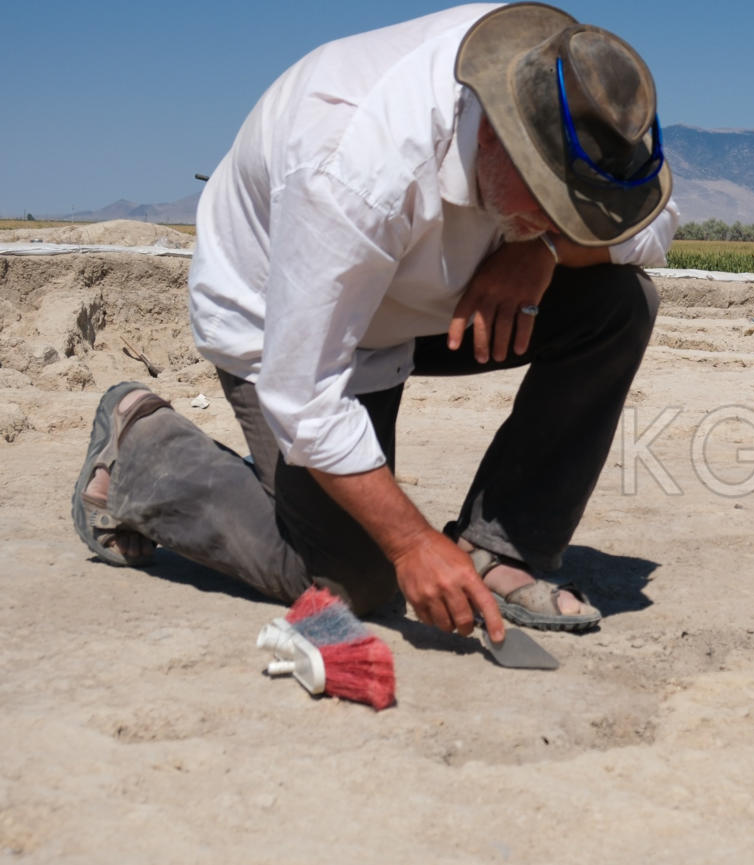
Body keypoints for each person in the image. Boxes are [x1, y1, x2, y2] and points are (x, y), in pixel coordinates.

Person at [68, 3, 680, 646]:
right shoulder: (352, 163)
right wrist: (411, 542)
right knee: (356, 580)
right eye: (552, 207)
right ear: (499, 137)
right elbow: (304, 393)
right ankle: (141, 448)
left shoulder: (564, 83)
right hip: (285, 322)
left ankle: (500, 549)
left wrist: (541, 250)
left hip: (425, 299)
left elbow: (653, 228)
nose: (564, 222)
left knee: (620, 303)